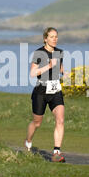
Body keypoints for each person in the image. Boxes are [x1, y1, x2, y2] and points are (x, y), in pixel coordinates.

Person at [26, 27, 68, 162]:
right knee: (37, 123)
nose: (55, 39)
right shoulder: (39, 53)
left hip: (55, 90)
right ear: (45, 39)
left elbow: (60, 69)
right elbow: (32, 74)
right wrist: (49, 66)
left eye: (56, 36)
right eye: (51, 37)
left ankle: (56, 152)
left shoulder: (60, 52)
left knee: (60, 119)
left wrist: (65, 73)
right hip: (41, 91)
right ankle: (28, 141)